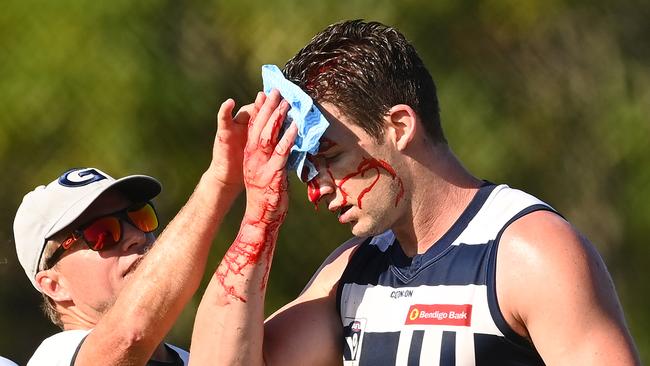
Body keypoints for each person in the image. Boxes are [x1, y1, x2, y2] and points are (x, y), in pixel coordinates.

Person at [189, 19, 641, 365]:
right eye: (306, 168)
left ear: (400, 126)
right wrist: (257, 220)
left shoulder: (527, 252)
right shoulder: (353, 271)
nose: (316, 188)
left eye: (330, 155)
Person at [12, 91, 291, 365]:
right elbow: (128, 338)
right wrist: (220, 182)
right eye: (103, 234)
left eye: (139, 216)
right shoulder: (56, 357)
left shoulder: (192, 359)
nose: (136, 236)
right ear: (54, 285)